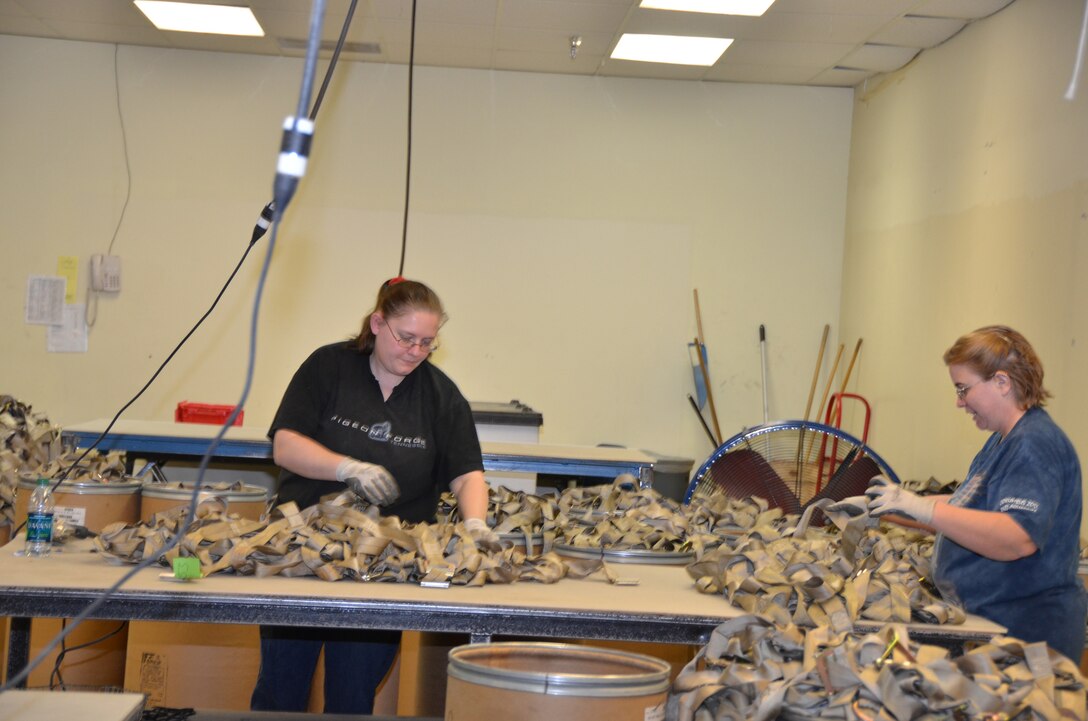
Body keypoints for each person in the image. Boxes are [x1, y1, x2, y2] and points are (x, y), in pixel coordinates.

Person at [250, 277, 495, 714]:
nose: (415, 352)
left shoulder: (441, 395)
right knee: (280, 692)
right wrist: (346, 467)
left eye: (427, 343)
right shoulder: (328, 368)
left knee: (353, 694)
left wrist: (475, 522)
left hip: (383, 564)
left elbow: (467, 475)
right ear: (378, 323)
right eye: (406, 338)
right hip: (304, 550)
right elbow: (285, 445)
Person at [866, 325, 1086, 660]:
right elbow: (966, 508)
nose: (959, 402)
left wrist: (924, 510)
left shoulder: (1035, 444)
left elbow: (1016, 537)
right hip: (991, 623)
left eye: (963, 389)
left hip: (1027, 634)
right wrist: (891, 505)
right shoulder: (1002, 441)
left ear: (1001, 382)